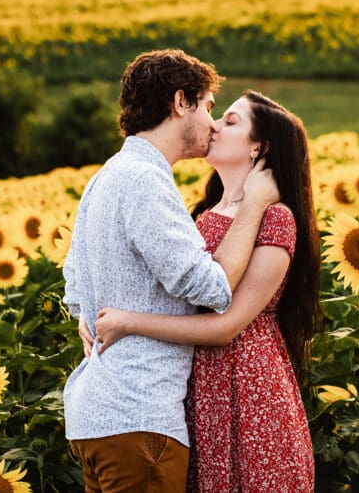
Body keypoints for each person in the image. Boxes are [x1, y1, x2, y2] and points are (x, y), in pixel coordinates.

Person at [62, 50, 280, 492]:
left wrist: (96, 318)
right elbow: (213, 289)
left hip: (93, 417)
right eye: (208, 107)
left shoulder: (107, 176)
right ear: (182, 102)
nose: (213, 123)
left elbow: (73, 289)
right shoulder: (145, 179)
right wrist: (255, 203)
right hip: (139, 417)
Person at [94, 90, 321, 492]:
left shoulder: (276, 217)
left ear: (259, 147)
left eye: (231, 121)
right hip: (198, 392)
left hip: (249, 387)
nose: (214, 125)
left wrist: (130, 322)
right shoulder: (201, 214)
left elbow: (226, 327)